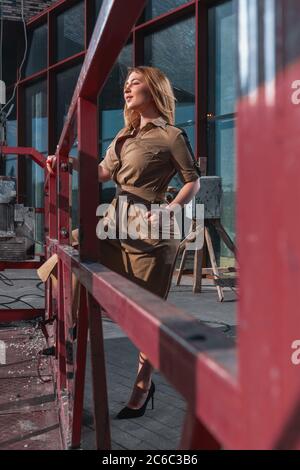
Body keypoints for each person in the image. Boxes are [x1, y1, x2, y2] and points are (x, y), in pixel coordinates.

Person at [45, 66, 200, 419]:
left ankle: (143, 386)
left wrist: (169, 211)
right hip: (114, 225)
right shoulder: (124, 135)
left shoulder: (172, 136)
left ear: (154, 89)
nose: (127, 89)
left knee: (146, 317)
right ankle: (65, 334)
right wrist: (64, 160)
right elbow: (100, 171)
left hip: (152, 235)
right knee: (72, 254)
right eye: (126, 84)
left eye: (134, 83)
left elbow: (193, 182)